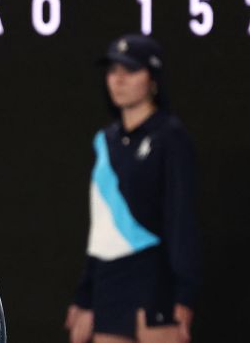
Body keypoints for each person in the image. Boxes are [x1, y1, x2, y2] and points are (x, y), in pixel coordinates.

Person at [65, 35, 201, 343]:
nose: (119, 79)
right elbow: (101, 226)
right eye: (113, 70)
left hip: (154, 283)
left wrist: (185, 295)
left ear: (153, 78)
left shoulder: (171, 138)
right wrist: (85, 296)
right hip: (108, 284)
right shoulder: (105, 141)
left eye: (131, 69)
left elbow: (182, 221)